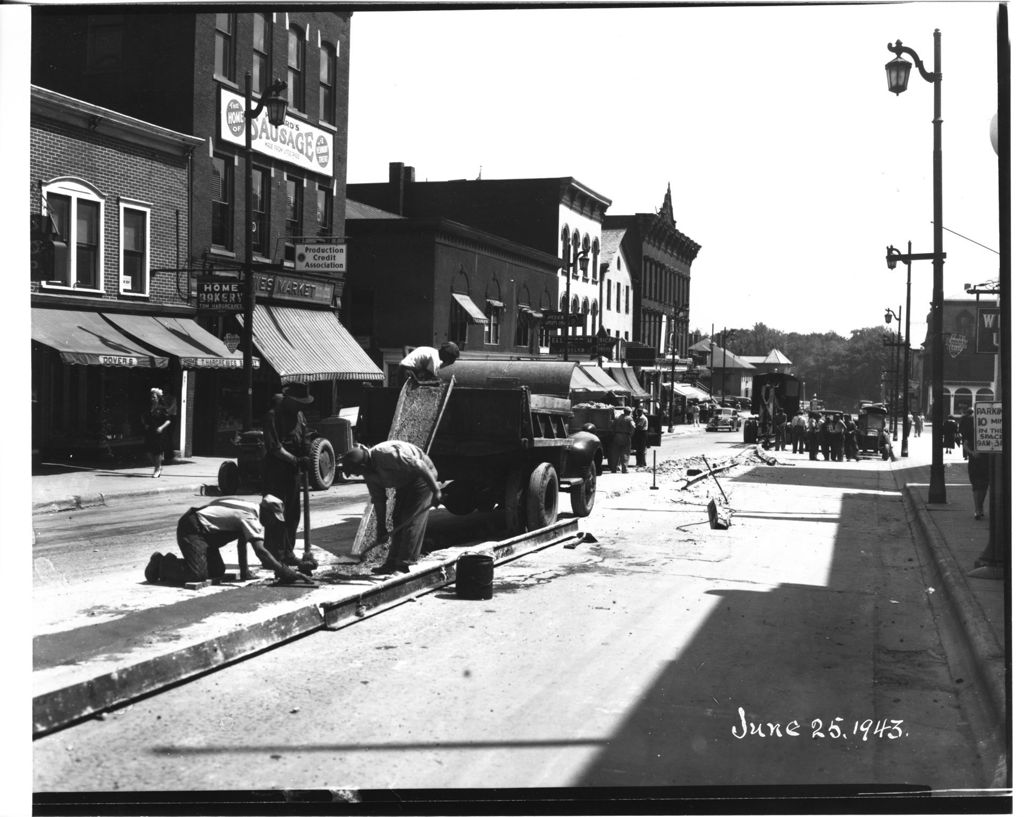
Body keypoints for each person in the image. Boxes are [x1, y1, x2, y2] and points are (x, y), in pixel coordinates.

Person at [146, 495, 310, 586]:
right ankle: (162, 563)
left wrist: (245, 573)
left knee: (217, 571)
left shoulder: (249, 507)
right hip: (193, 529)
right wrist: (285, 571)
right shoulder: (250, 517)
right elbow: (261, 551)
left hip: (206, 533)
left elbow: (242, 543)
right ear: (266, 512)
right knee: (197, 575)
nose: (273, 523)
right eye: (274, 518)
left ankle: (180, 563)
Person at [339, 441, 443, 574]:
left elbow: (420, 465)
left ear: (363, 465)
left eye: (356, 472)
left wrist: (436, 491)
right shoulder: (369, 474)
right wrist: (381, 527)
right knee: (397, 519)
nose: (358, 475)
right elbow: (379, 500)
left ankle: (404, 565)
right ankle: (392, 563)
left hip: (422, 476)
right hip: (405, 482)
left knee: (410, 520)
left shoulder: (386, 455)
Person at [262, 382, 313, 565]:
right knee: (275, 513)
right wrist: (295, 460)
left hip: (292, 472)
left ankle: (288, 552)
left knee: (293, 514)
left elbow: (305, 436)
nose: (302, 406)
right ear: (289, 399)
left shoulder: (299, 415)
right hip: (275, 471)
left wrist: (306, 454)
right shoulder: (273, 416)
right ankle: (273, 556)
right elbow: (275, 447)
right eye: (299, 402)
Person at [958, 408, 990, 520]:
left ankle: (980, 507)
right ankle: (977, 509)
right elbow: (965, 444)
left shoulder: (991, 431)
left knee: (984, 486)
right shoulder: (972, 431)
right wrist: (972, 452)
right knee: (977, 486)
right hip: (975, 461)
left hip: (987, 461)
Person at [142, 387, 171, 478]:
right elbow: (143, 417)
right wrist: (145, 424)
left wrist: (161, 427)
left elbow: (168, 420)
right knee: (148, 452)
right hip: (150, 431)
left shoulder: (162, 408)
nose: (152, 398)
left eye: (154, 397)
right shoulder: (148, 408)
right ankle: (158, 467)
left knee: (157, 452)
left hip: (159, 432)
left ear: (158, 398)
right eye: (151, 397)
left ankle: (157, 470)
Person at [608, 407, 636, 473]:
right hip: (625, 436)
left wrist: (614, 433)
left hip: (617, 436)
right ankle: (624, 469)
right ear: (629, 412)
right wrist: (631, 434)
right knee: (625, 452)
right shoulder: (629, 418)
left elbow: (612, 426)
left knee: (615, 453)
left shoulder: (617, 418)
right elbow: (633, 426)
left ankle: (613, 469)